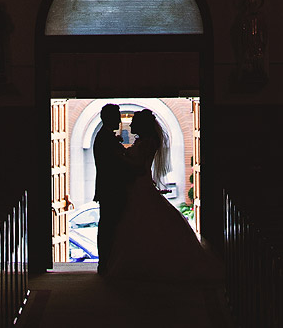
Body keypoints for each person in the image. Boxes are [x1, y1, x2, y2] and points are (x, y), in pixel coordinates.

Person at [104, 108, 223, 283]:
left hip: (140, 184)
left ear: (143, 125)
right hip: (139, 184)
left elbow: (138, 166)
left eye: (135, 122)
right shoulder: (143, 141)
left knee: (143, 221)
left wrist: (120, 156)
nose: (131, 125)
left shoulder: (147, 143)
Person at [93, 103, 132, 272]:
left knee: (109, 225)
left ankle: (107, 262)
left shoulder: (106, 136)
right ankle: (105, 263)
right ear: (109, 117)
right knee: (109, 226)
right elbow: (115, 165)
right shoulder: (105, 137)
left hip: (109, 188)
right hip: (111, 189)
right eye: (117, 116)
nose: (119, 119)